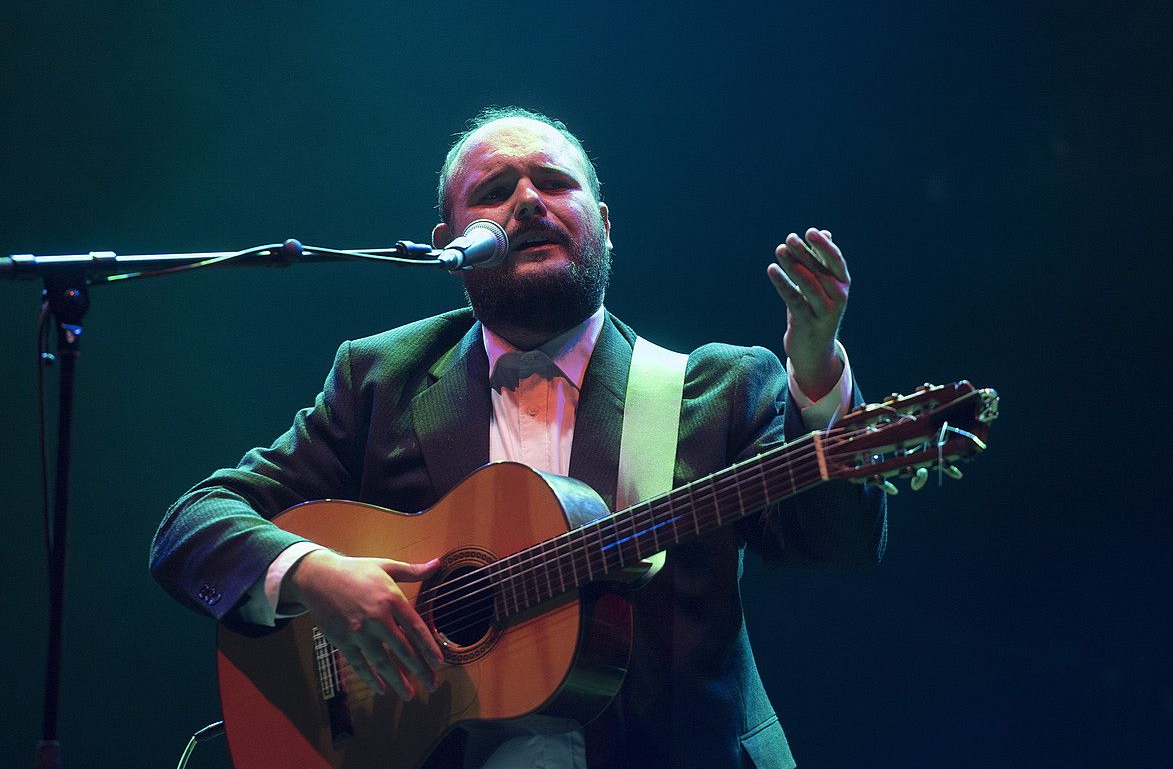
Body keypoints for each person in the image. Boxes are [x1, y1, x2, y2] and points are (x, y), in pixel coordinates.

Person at [150, 107, 886, 768]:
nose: (529, 200)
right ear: (449, 244)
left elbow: (836, 543)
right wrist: (314, 575)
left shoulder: (722, 387)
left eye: (554, 183)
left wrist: (818, 381)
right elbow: (191, 528)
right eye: (495, 190)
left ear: (603, 221)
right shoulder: (379, 380)